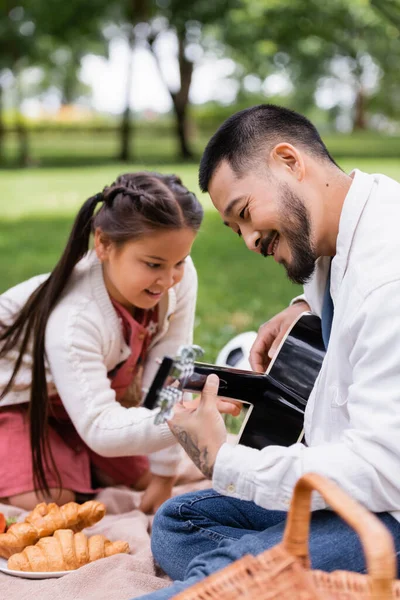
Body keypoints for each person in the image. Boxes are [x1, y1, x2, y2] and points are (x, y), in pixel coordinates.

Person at [137, 104, 400, 599]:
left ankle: (256, 570)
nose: (251, 240)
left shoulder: (388, 278)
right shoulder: (352, 223)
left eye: (244, 213)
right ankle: (288, 571)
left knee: (229, 574)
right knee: (178, 520)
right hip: (350, 491)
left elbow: (383, 471)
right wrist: (306, 304)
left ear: (288, 161)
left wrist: (222, 457)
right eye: (236, 230)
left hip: (388, 507)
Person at [0, 171, 239, 514]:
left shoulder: (173, 279)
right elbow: (99, 426)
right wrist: (181, 422)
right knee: (51, 502)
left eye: (180, 262)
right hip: (19, 403)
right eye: (154, 264)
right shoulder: (75, 317)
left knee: (145, 471)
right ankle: (71, 460)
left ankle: (83, 461)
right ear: (104, 244)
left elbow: (168, 374)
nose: (169, 279)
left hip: (81, 399)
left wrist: (163, 477)